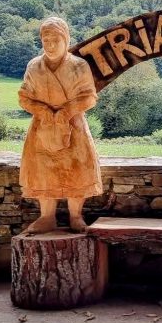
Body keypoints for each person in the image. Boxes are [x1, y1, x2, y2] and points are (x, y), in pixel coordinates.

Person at [18, 17, 103, 233]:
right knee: (43, 170)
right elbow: (24, 97)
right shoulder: (34, 67)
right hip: (42, 126)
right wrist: (44, 111)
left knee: (78, 168)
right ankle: (47, 216)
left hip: (73, 124)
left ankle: (76, 216)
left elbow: (89, 97)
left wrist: (65, 112)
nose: (51, 45)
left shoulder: (78, 66)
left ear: (66, 39)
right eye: (46, 40)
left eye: (56, 39)